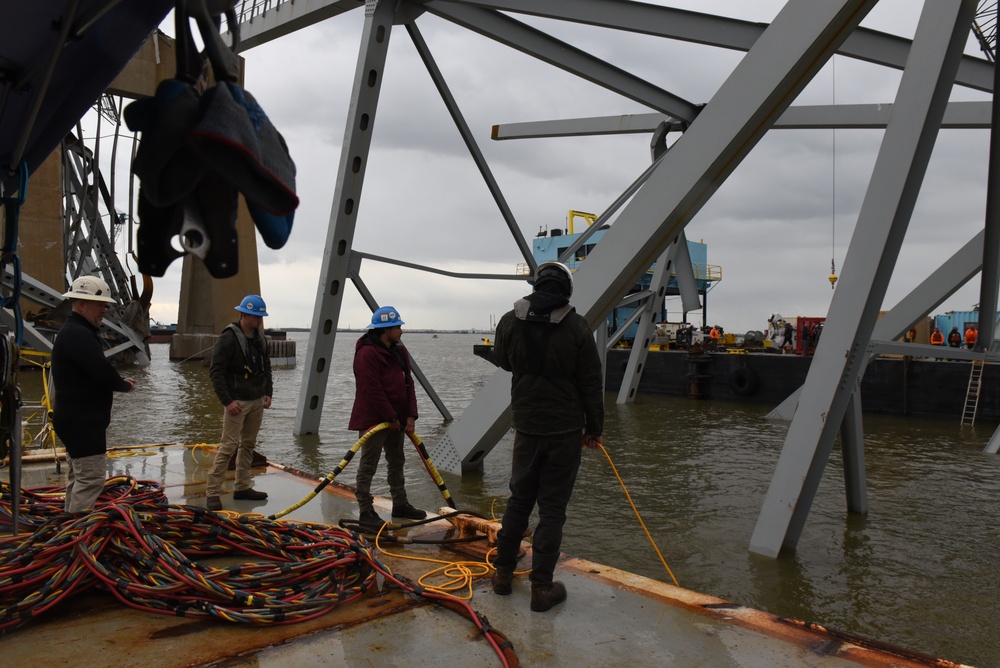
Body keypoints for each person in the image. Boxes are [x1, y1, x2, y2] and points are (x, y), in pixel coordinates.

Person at [491, 261, 605, 613]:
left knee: (519, 500)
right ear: (566, 290)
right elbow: (590, 383)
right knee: (552, 509)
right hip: (564, 431)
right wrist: (594, 429)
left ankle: (503, 576)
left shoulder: (510, 320)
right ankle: (542, 587)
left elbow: (502, 359)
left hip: (527, 425)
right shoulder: (577, 326)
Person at [51, 276, 136, 513]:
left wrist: (118, 381)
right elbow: (100, 372)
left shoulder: (74, 331)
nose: (104, 310)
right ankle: (78, 536)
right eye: (100, 305)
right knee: (90, 480)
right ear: (81, 304)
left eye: (105, 305)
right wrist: (124, 385)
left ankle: (69, 527)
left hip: (74, 420)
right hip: (82, 422)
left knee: (78, 478)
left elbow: (92, 371)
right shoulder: (79, 334)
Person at [349, 305, 426, 529]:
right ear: (386, 330)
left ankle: (400, 504)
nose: (401, 331)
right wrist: (391, 417)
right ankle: (365, 510)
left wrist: (410, 415)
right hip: (374, 419)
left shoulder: (399, 352)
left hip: (397, 420)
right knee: (368, 465)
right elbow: (371, 390)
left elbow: (408, 384)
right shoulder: (367, 354)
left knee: (397, 461)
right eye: (398, 327)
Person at [206, 294, 273, 511]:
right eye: (256, 316)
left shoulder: (259, 338)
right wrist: (228, 401)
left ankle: (243, 486)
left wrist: (268, 392)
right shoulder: (228, 338)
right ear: (244, 314)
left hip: (256, 400)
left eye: (261, 317)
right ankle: (212, 492)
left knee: (248, 445)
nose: (260, 320)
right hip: (237, 402)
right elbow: (216, 372)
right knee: (228, 447)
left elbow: (266, 367)